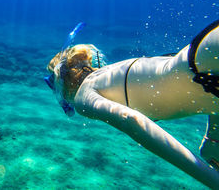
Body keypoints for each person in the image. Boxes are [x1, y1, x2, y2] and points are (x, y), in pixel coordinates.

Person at [44, 21, 219, 188]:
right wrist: (212, 138)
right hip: (205, 50)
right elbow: (200, 87)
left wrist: (212, 180)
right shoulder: (110, 73)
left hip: (205, 61)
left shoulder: (84, 96)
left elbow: (130, 119)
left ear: (62, 85)